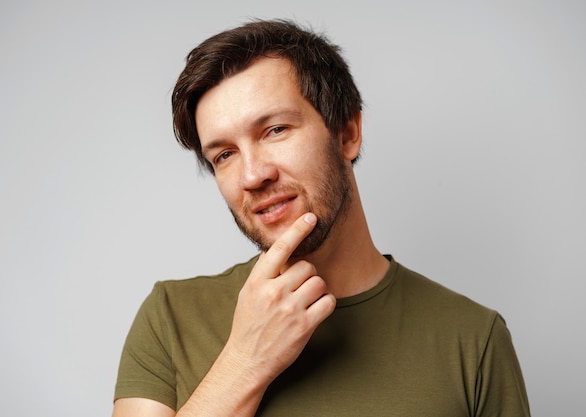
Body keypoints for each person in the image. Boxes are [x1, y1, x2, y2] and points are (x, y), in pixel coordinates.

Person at [112, 19, 530, 417]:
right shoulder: (170, 317)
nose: (253, 175)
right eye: (224, 155)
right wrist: (244, 363)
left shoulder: (474, 338)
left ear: (347, 133)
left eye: (275, 130)